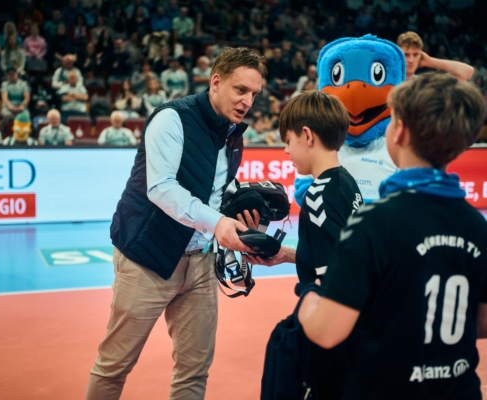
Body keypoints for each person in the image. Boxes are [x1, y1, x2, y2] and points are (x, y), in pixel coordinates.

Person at [85, 46, 265, 400]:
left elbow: (214, 191)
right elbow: (162, 188)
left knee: (194, 372)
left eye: (254, 94)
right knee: (113, 366)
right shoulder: (171, 118)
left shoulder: (233, 132)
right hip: (146, 259)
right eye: (241, 90)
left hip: (200, 265)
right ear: (216, 82)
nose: (248, 101)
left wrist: (240, 210)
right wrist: (217, 223)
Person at [298, 73, 487, 399]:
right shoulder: (477, 226)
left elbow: (326, 332)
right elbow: (482, 323)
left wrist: (309, 293)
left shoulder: (373, 223)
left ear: (399, 131)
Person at [245, 90, 362, 399]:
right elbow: (342, 257)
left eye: (288, 140)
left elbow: (331, 282)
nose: (285, 150)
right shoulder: (346, 183)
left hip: (331, 336)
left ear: (307, 136)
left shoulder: (318, 196)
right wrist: (285, 255)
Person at [397, 31, 474, 81]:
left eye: (415, 54)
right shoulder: (389, 81)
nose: (411, 60)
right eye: (406, 55)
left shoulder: (424, 83)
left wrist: (429, 61)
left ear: (421, 55)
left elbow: (467, 72)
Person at [0, 66, 31, 133]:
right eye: (9, 74)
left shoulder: (24, 84)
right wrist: (11, 107)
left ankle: (28, 135)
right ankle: (2, 134)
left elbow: (27, 97)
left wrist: (22, 107)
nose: (11, 75)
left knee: (26, 116)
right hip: (9, 107)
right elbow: (5, 98)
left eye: (13, 73)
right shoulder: (4, 84)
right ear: (7, 75)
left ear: (16, 74)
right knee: (6, 116)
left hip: (22, 107)